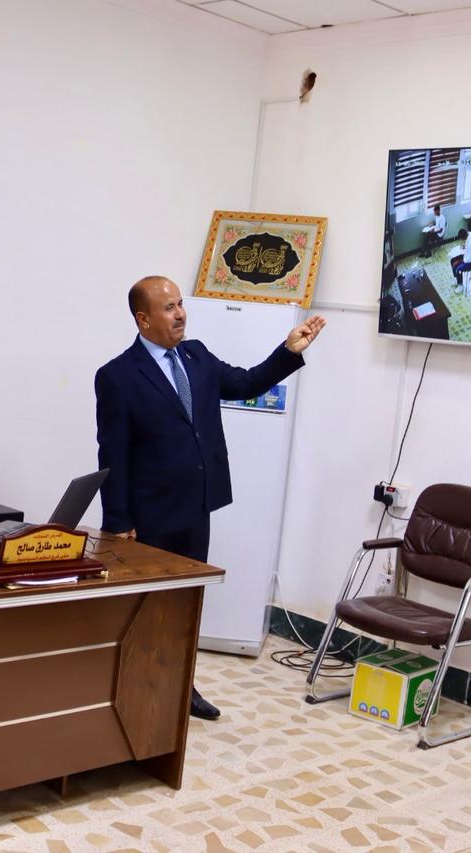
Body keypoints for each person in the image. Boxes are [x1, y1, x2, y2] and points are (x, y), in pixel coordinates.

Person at [95, 276, 325, 721]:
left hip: (196, 508)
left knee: (186, 607)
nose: (180, 314)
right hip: (148, 517)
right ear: (143, 319)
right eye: (168, 308)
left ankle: (182, 687)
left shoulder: (196, 355)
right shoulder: (118, 376)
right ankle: (134, 692)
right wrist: (118, 522)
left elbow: (246, 383)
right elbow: (113, 454)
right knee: (145, 610)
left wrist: (288, 351)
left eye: (181, 304)